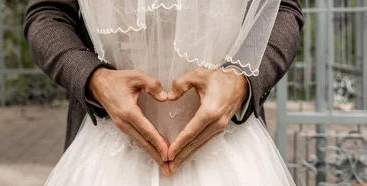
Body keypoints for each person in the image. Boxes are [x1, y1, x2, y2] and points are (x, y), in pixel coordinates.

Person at [24, 0, 304, 185]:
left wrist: (241, 80)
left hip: (229, 147)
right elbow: (47, 13)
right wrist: (96, 79)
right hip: (107, 150)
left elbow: (283, 8)